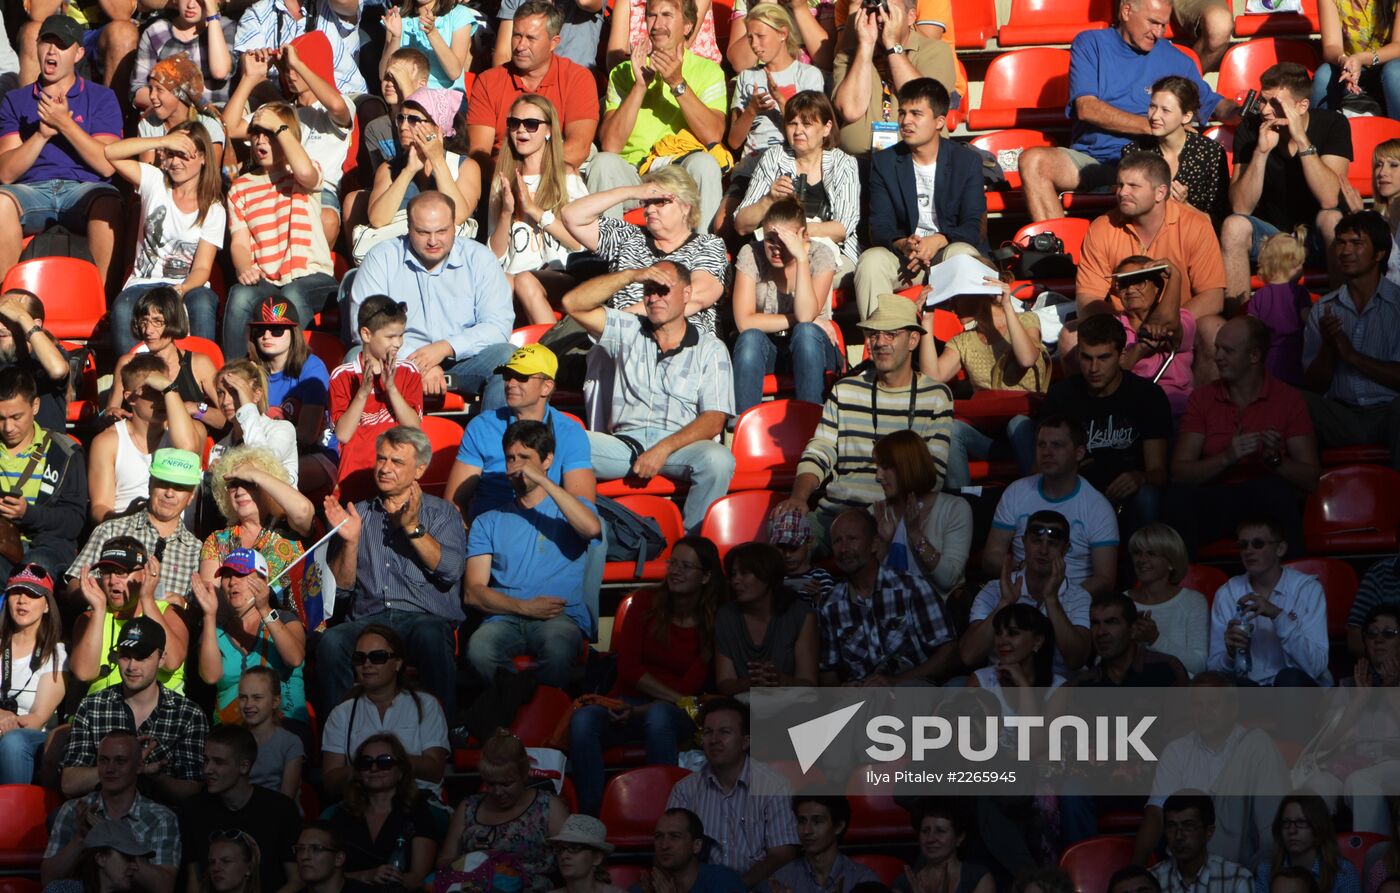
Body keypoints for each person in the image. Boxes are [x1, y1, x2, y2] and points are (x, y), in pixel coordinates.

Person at [561, 261, 736, 534]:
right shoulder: (628, 328)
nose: (654, 298)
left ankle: (693, 549)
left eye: (663, 290)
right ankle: (584, 537)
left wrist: (663, 448)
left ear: (687, 294)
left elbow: (714, 419)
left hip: (679, 447)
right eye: (648, 290)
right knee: (560, 442)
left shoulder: (710, 348)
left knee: (719, 460)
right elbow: (572, 303)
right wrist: (631, 275)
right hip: (623, 445)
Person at [1018, 0, 1225, 222]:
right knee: (1033, 161)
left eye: (1163, 26)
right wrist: (1153, 125)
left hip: (1149, 159)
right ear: (1126, 11)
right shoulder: (1091, 43)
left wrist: (1244, 111)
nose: (1158, 32)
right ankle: (1059, 253)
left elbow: (1213, 104)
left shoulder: (1177, 59)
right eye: (1153, 22)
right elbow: (1086, 108)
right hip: (1094, 160)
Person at [774, 297, 953, 548]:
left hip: (900, 516)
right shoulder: (845, 389)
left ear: (913, 340)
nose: (880, 342)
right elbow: (820, 450)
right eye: (874, 334)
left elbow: (933, 475)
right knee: (782, 536)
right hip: (838, 514)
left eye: (891, 334)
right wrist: (798, 497)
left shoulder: (935, 397)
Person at [568, 534, 721, 817]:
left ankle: (665, 816)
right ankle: (594, 816)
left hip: (673, 714)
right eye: (673, 563)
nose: (675, 571)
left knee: (660, 715)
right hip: (624, 704)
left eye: (686, 566)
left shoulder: (713, 621)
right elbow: (628, 668)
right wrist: (655, 704)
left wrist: (641, 710)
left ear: (706, 577)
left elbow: (691, 686)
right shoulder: (645, 601)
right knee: (583, 720)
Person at [320, 427, 466, 720]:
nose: (385, 468)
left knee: (431, 635)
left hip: (424, 617)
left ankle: (443, 731)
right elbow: (339, 592)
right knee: (331, 642)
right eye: (381, 459)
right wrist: (349, 542)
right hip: (368, 619)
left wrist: (413, 529)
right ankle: (336, 738)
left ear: (419, 470)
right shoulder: (357, 514)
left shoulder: (441, 513)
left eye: (396, 462)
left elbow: (450, 571)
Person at [1168, 315, 1321, 556]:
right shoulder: (1202, 398)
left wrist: (1275, 460)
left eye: (1227, 351)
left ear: (1254, 356)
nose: (1217, 357)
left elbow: (1311, 478)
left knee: (1278, 493)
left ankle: (1293, 585)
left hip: (1263, 500)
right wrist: (1227, 456)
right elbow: (1180, 472)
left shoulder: (1288, 399)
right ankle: (1185, 585)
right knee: (1179, 498)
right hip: (1216, 499)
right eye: (1217, 348)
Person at [465, 418, 602, 687]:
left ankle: (541, 718)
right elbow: (473, 591)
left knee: (558, 649)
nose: (516, 466)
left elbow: (590, 528)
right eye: (510, 458)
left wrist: (543, 479)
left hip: (558, 618)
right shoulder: (487, 521)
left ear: (547, 459)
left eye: (525, 458)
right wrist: (523, 607)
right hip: (504, 617)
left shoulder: (574, 509)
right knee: (478, 649)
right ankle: (518, 708)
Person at [349, 191, 515, 405]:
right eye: (423, 232)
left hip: (463, 361)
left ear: (454, 226)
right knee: (356, 357)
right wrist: (417, 363)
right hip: (396, 361)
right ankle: (367, 437)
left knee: (507, 356)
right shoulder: (382, 258)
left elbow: (498, 326)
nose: (433, 241)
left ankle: (490, 437)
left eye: (442, 231)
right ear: (408, 228)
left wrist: (445, 347)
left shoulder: (480, 258)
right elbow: (363, 326)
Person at [1036, 313, 1171, 564]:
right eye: (1086, 358)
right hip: (1075, 492)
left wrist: (1140, 477)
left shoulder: (1148, 396)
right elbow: (1044, 464)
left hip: (1128, 496)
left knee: (1148, 496)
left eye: (1103, 358)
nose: (1094, 368)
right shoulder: (1062, 396)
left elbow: (1159, 472)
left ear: (1121, 356)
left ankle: (1138, 581)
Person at [0, 15, 123, 290]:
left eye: (62, 44)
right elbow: (5, 173)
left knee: (109, 202)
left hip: (84, 189)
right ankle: (7, 308)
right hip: (31, 191)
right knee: (0, 203)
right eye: (47, 42)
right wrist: (42, 135)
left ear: (79, 53)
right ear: (38, 46)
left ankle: (100, 306)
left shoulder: (102, 97)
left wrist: (65, 124)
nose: (52, 50)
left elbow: (107, 166)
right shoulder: (16, 100)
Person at [589, 0, 728, 232]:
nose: (657, 24)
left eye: (666, 15)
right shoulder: (623, 72)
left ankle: (703, 256)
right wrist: (640, 87)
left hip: (681, 174)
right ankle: (609, 257)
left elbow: (713, 135)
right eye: (652, 16)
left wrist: (677, 83)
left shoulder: (709, 71)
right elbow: (611, 144)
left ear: (687, 26)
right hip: (634, 175)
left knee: (706, 163)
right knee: (603, 163)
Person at [853, 78, 986, 319]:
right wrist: (903, 244)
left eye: (916, 114)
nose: (905, 121)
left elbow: (973, 226)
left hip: (946, 254)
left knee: (963, 254)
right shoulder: (884, 162)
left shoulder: (966, 162)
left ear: (939, 121)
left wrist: (939, 240)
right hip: (906, 261)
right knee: (871, 261)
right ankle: (879, 343)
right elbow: (880, 226)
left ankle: (968, 344)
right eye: (902, 113)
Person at [1073, 154, 1227, 361]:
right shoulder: (1102, 227)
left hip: (1180, 324)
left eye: (1133, 186)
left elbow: (1213, 298)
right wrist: (1129, 328)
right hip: (1122, 327)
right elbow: (1088, 300)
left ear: (1160, 192)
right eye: (1120, 185)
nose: (1122, 192)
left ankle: (1199, 395)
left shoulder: (1196, 225)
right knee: (1070, 337)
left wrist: (1164, 322)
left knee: (1213, 328)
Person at [1221, 62, 1352, 304]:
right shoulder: (1250, 129)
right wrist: (1260, 153)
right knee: (1233, 226)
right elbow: (1240, 207)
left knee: (1332, 218)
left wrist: (1302, 141)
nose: (1265, 111)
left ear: (1302, 106)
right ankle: (1238, 324)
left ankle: (1343, 315)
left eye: (1276, 104)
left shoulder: (1333, 123)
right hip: (1270, 240)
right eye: (1263, 100)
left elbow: (1330, 198)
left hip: (1316, 239)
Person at [223, 99, 339, 360]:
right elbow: (240, 242)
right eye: (256, 134)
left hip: (312, 277)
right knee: (240, 295)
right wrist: (244, 268)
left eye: (270, 133)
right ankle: (234, 373)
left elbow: (306, 172)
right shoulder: (240, 188)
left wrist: (282, 128)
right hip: (268, 281)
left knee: (292, 294)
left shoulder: (302, 172)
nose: (261, 141)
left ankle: (301, 372)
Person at [1136, 674, 1291, 867]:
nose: (1205, 712)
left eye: (1212, 704)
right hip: (1189, 862)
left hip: (1243, 862)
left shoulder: (1255, 747)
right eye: (1198, 705)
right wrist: (1137, 866)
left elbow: (1272, 823)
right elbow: (1156, 812)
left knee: (1259, 741)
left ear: (1233, 708)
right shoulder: (1177, 750)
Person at [560, 165, 728, 336]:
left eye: (660, 201)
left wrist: (620, 323)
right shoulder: (628, 236)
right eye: (646, 202)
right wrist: (632, 192)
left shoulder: (707, 244)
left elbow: (699, 294)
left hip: (689, 347)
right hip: (627, 345)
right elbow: (571, 215)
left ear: (685, 206)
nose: (649, 209)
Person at [103, 121, 224, 354]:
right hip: (144, 282)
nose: (175, 162)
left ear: (203, 158)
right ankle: (132, 378)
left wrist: (181, 289)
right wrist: (162, 141)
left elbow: (202, 268)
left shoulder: (213, 208)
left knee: (203, 303)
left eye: (184, 155)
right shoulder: (155, 181)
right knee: (122, 308)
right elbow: (110, 152)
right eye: (171, 154)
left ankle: (200, 374)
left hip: (185, 285)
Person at [222, 34, 352, 249]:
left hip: (319, 190)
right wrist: (250, 78)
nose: (291, 74)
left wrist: (298, 64)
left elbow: (337, 107)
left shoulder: (336, 105)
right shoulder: (281, 111)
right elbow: (230, 127)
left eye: (297, 68)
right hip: (276, 184)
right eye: (287, 68)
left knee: (327, 218)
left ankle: (312, 277)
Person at [61, 615, 207, 802]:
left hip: (162, 821)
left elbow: (193, 789)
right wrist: (126, 767)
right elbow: (69, 783)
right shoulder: (92, 706)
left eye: (142, 657)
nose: (132, 666)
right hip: (100, 813)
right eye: (125, 656)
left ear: (161, 659)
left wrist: (155, 776)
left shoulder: (187, 714)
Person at [445, 344, 594, 523]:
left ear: (546, 387)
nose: (510, 384)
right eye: (508, 376)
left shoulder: (570, 432)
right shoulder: (482, 426)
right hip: (489, 536)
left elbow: (583, 510)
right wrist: (474, 542)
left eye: (522, 377)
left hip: (546, 536)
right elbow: (454, 502)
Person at [1302, 211, 1400, 471]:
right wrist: (1330, 348)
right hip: (1341, 414)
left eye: (1356, 243)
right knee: (1297, 402)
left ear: (1379, 254)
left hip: (1390, 413)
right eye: (1341, 243)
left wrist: (1352, 356)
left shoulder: (1398, 305)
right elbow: (1312, 384)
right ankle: (1307, 499)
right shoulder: (1323, 309)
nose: (1345, 251)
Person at [667, 698, 800, 887]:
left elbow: (782, 855)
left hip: (757, 886)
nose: (714, 740)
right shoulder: (684, 790)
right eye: (707, 732)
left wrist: (734, 886)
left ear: (745, 741)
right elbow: (670, 851)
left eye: (724, 732)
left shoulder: (773, 786)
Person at [982, 417, 1120, 598]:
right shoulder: (1016, 492)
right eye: (1041, 445)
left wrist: (1059, 599)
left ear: (1079, 453)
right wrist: (1022, 567)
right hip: (1018, 598)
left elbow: (1105, 579)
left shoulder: (1097, 507)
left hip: (1070, 606)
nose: (1047, 452)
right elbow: (991, 558)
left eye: (1057, 445)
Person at [730, 198, 843, 416]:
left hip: (813, 349)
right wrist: (798, 318)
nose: (776, 248)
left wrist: (801, 258)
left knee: (806, 332)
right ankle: (743, 426)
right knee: (750, 338)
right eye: (770, 239)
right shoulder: (751, 254)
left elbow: (806, 316)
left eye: (785, 240)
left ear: (804, 236)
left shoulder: (819, 256)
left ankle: (810, 425)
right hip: (769, 348)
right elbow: (744, 322)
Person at [819, 509, 958, 685]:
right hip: (863, 698)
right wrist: (842, 689)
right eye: (837, 541)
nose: (844, 548)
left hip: (912, 690)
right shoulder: (830, 606)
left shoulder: (911, 588)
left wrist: (895, 681)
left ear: (874, 544)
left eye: (852, 539)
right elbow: (828, 673)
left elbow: (949, 653)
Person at [734, 91, 861, 280]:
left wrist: (793, 233)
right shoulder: (774, 157)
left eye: (807, 124)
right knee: (747, 256)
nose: (798, 130)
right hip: (777, 250)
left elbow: (842, 229)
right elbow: (741, 225)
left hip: (831, 252)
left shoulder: (844, 164)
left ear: (826, 128)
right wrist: (769, 199)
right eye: (792, 123)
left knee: (815, 267)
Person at [719, 2, 824, 229]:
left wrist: (782, 101)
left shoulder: (808, 75)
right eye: (749, 38)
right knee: (722, 225)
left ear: (782, 34)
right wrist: (752, 110)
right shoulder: (748, 77)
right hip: (751, 165)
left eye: (760, 36)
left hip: (792, 166)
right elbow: (734, 141)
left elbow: (814, 133)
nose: (754, 45)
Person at [485, 94, 587, 326]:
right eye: (514, 123)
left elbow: (582, 243)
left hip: (561, 273)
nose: (521, 130)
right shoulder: (501, 180)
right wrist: (506, 213)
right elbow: (495, 256)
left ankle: (556, 353)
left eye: (531, 124)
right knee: (498, 281)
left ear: (548, 130)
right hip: (513, 276)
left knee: (525, 280)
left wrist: (535, 211)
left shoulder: (566, 176)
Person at [319, 625, 450, 800]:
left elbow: (435, 770)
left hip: (417, 799)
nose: (367, 664)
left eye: (377, 657)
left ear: (398, 663)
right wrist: (368, 767)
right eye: (360, 658)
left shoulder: (426, 705)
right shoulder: (341, 713)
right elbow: (330, 780)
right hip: (361, 803)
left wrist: (391, 761)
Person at [467, 2, 599, 172]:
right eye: (516, 35)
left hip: (557, 177)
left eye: (531, 38)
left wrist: (532, 175)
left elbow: (578, 148)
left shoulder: (577, 78)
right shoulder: (489, 81)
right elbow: (479, 155)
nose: (520, 46)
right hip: (501, 178)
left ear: (554, 43)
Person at [42, 731, 180, 893]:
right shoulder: (74, 809)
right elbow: (48, 881)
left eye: (120, 761)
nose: (110, 768)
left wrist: (113, 842)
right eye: (103, 760)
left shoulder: (160, 818)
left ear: (139, 766)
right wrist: (81, 838)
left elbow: (164, 887)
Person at [65, 447, 204, 608]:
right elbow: (73, 586)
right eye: (163, 483)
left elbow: (201, 612)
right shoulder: (110, 530)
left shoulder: (196, 550)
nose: (170, 493)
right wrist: (106, 591)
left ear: (191, 496)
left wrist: (183, 605)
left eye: (180, 487)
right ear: (150, 484)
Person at [355, 88, 480, 264]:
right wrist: (408, 172)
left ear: (437, 128)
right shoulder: (388, 169)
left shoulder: (466, 167)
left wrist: (437, 160)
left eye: (413, 120)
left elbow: (458, 216)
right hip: (397, 261)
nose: (403, 126)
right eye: (400, 118)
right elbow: (377, 219)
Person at [962, 510, 1092, 677]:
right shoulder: (994, 590)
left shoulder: (1078, 596)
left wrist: (1052, 599)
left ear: (1065, 549)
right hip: (1000, 683)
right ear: (1024, 542)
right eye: (1036, 541)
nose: (1043, 550)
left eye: (1052, 543)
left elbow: (1076, 661)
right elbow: (969, 656)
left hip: (1056, 688)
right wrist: (1004, 603)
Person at [438, 731, 570, 893]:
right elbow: (444, 862)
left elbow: (572, 859)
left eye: (506, 784)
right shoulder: (468, 807)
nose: (498, 792)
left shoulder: (548, 806)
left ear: (523, 774)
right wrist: (475, 860)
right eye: (490, 784)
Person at [1207, 518, 1329, 687]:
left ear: (1280, 549)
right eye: (1243, 545)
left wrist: (1278, 615)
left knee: (1289, 679)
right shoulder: (1227, 593)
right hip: (1250, 688)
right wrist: (1230, 654)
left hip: (1295, 688)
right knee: (1238, 687)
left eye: (1258, 544)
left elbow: (1316, 667)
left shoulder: (1307, 589)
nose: (1249, 551)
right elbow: (1213, 670)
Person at [192, 549, 308, 726]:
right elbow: (210, 676)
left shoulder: (284, 619)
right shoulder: (214, 630)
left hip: (283, 725)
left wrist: (264, 609)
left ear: (264, 581)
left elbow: (294, 658)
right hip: (231, 734)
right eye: (227, 576)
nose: (232, 582)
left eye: (241, 574)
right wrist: (209, 615)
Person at [181, 724, 301, 892]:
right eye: (206, 760)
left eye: (219, 762)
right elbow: (194, 881)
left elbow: (296, 880)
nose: (208, 770)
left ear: (244, 766)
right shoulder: (193, 810)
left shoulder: (280, 809)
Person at [829, 0, 956, 159]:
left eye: (888, 10)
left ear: (911, 17)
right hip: (861, 163)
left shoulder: (936, 51)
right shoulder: (849, 55)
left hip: (916, 160)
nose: (881, 18)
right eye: (875, 11)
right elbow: (850, 110)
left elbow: (922, 103)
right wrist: (865, 47)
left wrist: (892, 45)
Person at [86, 354, 201, 523]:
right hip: (124, 534)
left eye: (165, 390)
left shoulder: (191, 431)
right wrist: (130, 518)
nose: (162, 398)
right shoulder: (107, 442)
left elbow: (187, 449)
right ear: (129, 397)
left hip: (175, 542)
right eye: (152, 391)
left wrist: (169, 388)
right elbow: (100, 507)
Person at [328, 295, 423, 498]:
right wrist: (362, 393)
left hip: (396, 482)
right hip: (354, 480)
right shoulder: (342, 375)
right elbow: (343, 435)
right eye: (390, 337)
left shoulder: (408, 371)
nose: (398, 344)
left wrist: (391, 388)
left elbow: (414, 427)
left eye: (401, 335)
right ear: (366, 334)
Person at [69, 537, 189, 696]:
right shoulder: (89, 618)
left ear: (144, 574)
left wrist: (147, 599)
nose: (112, 581)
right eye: (105, 572)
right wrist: (99, 610)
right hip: (103, 712)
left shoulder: (168, 613)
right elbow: (84, 673)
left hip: (160, 713)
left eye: (121, 572)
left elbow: (171, 661)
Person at [0, 367, 87, 581]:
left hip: (49, 546)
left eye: (16, 416)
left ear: (35, 406)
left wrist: (28, 514)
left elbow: (74, 522)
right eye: (0, 418)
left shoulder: (64, 452)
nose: (8, 427)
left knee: (31, 573)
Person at [244, 296, 337, 494]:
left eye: (276, 330)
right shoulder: (249, 370)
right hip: (263, 456)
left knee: (265, 478)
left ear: (293, 333)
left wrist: (264, 459)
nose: (267, 336)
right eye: (260, 330)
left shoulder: (312, 368)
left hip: (316, 454)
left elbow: (307, 436)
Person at [326, 734, 438, 890]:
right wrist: (366, 876)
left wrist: (390, 879)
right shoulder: (343, 814)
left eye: (384, 761)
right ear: (358, 773)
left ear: (401, 771)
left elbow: (418, 878)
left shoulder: (419, 813)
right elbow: (326, 873)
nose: (374, 768)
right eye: (366, 762)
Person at [871, 428, 972, 600]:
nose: (878, 476)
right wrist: (884, 545)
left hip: (936, 618)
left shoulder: (954, 509)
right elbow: (865, 585)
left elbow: (948, 579)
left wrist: (916, 535)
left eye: (886, 467)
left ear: (908, 466)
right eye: (877, 467)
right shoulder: (876, 513)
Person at [105, 287, 224, 431]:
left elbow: (225, 419)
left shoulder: (199, 363)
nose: (148, 331)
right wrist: (113, 414)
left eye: (157, 322)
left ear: (173, 321)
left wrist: (193, 408)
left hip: (188, 446)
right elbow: (110, 412)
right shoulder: (127, 363)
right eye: (144, 322)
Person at [199, 444, 314, 587]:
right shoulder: (218, 541)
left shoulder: (289, 526)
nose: (240, 492)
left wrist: (256, 474)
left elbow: (304, 511)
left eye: (249, 482)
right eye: (233, 485)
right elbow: (209, 597)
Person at [1121, 75, 1230, 221]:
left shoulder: (1210, 153)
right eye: (1153, 107)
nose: (1154, 116)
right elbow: (1125, 211)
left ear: (1186, 116)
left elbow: (1219, 221)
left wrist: (1184, 206)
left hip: (1194, 237)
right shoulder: (1134, 153)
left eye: (1165, 110)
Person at [715, 542, 819, 695]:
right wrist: (751, 683)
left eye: (744, 573)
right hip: (743, 704)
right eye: (733, 574)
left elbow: (809, 684)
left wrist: (779, 680)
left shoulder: (800, 615)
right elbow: (725, 683)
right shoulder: (726, 616)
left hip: (791, 702)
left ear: (768, 575)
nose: (736, 581)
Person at [0, 564, 65, 784]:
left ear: (47, 605)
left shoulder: (57, 653)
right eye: (16, 592)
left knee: (14, 742)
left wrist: (9, 723)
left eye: (32, 594)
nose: (22, 600)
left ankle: (15, 817)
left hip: (32, 739)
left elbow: (37, 719)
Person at [1111, 256, 1196, 413]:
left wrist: (1175, 277)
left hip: (1176, 408)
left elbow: (1165, 323)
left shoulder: (1184, 318)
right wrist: (1140, 348)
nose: (1130, 290)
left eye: (1138, 282)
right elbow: (1109, 375)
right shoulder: (1111, 326)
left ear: (1157, 288)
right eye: (1123, 284)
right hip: (1130, 411)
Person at [1126, 523, 1209, 675]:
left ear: (1171, 562)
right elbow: (1102, 664)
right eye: (1137, 553)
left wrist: (1155, 639)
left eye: (1151, 553)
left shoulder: (1193, 602)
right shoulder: (1122, 601)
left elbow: (1199, 665)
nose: (1142, 559)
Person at [208, 359, 299, 485]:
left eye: (235, 391)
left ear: (257, 395)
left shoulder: (282, 429)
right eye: (220, 393)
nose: (225, 401)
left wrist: (247, 407)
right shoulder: (218, 448)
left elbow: (262, 467)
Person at [966, 604, 1066, 717]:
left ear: (1037, 641)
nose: (1002, 641)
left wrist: (1023, 686)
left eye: (1012, 633)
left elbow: (1036, 735)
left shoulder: (1057, 687)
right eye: (998, 633)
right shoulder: (981, 680)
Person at [131, 0, 234, 109]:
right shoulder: (158, 31)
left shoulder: (225, 27)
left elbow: (220, 72)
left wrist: (213, 18)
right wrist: (180, 106)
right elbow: (138, 90)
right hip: (170, 115)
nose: (191, 5)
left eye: (201, 0)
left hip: (213, 114)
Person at [1150, 791, 1255, 893]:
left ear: (1209, 832)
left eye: (1188, 826)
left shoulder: (1236, 879)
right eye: (1171, 826)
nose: (1178, 836)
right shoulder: (1151, 880)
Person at [1245, 230, 1313, 388]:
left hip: (1268, 360)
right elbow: (1308, 319)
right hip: (1295, 356)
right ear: (1293, 265)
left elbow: (1250, 327)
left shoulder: (1259, 295)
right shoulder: (1299, 292)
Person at [769, 797, 878, 893]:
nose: (807, 830)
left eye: (817, 821)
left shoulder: (862, 879)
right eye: (802, 821)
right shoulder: (782, 880)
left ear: (839, 826)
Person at [1311, 0, 1400, 116]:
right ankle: (1319, 129)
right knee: (1324, 75)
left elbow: (1398, 45)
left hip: (1388, 63)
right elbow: (1331, 46)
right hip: (1350, 67)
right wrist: (1344, 62)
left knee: (1394, 72)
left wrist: (1362, 58)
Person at [1255, 795, 1361, 893]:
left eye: (1301, 822)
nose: (1292, 830)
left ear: (1318, 825)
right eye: (1286, 822)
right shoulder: (1266, 870)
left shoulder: (1343, 872)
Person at [0, 289, 71, 434]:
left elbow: (58, 370)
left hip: (46, 451)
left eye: (9, 319)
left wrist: (22, 316)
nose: (1, 327)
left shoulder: (48, 355)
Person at [1078, 592, 1189, 686]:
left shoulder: (1166, 669)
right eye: (1095, 623)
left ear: (1133, 629)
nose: (1101, 632)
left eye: (1111, 622)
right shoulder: (1084, 683)